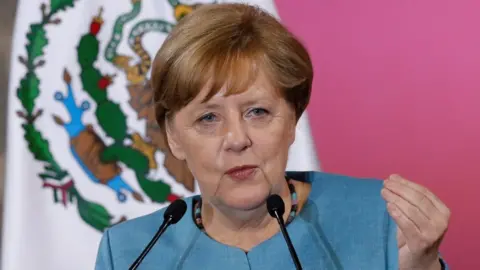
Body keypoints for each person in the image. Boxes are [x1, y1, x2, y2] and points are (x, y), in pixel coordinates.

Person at [94, 3, 450, 269]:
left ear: (293, 119)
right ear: (173, 136)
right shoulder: (130, 252)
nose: (236, 139)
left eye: (257, 112)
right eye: (207, 118)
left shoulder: (383, 219)